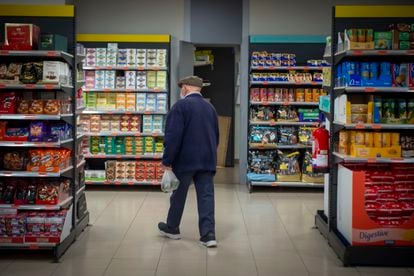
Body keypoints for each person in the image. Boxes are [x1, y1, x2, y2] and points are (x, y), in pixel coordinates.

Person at [158, 76, 219, 248]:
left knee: (178, 194)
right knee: (206, 196)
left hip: (185, 160)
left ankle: (172, 228)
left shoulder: (180, 107)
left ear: (185, 88)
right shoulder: (210, 108)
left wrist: (167, 160)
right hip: (207, 160)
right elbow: (216, 136)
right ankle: (208, 235)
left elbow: (173, 136)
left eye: (181, 87)